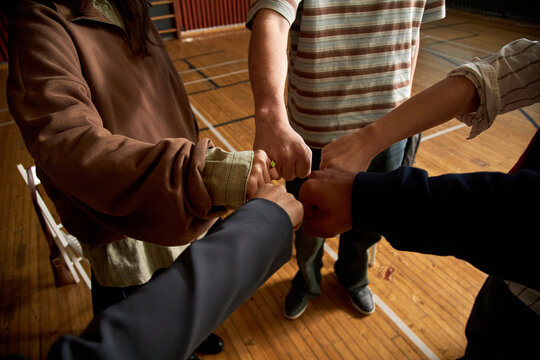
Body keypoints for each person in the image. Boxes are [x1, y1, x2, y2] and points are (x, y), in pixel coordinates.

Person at [7, 1, 279, 358]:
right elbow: (67, 140)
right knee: (138, 310)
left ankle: (192, 337)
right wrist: (201, 172)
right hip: (123, 204)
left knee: (183, 283)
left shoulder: (130, 6)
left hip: (173, 183)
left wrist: (192, 157)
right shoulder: (39, 15)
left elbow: (164, 92)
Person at [299, 38, 540, 358]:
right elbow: (498, 73)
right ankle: (306, 283)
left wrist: (367, 200)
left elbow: (525, 215)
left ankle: (353, 278)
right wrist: (368, 139)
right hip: (508, 282)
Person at [246, 0, 446, 319]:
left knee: (370, 219)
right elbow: (272, 15)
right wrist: (270, 115)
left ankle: (353, 276)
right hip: (312, 133)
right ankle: (306, 280)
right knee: (307, 221)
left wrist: (403, 107)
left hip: (389, 129)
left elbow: (413, 29)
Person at [0, 185, 302, 360]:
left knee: (170, 266)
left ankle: (191, 338)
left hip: (171, 208)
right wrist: (263, 221)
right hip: (113, 220)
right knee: (125, 281)